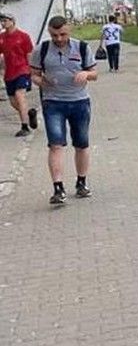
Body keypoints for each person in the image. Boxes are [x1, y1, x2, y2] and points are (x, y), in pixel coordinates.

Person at [30, 16, 99, 206]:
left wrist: (86, 74)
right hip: (53, 103)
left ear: (69, 30)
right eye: (54, 35)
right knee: (55, 144)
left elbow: (95, 73)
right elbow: (34, 74)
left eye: (63, 34)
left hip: (79, 102)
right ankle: (58, 188)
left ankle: (81, 182)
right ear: (49, 32)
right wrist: (42, 81)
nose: (59, 38)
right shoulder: (41, 50)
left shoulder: (82, 47)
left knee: (82, 144)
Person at [0, 13, 37, 137]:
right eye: (1, 21)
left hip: (22, 70)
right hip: (9, 73)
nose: (3, 23)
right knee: (12, 101)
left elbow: (29, 53)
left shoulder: (23, 36)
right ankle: (30, 114)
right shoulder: (2, 37)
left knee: (19, 95)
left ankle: (25, 127)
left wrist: (31, 70)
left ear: (12, 21)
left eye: (5, 20)